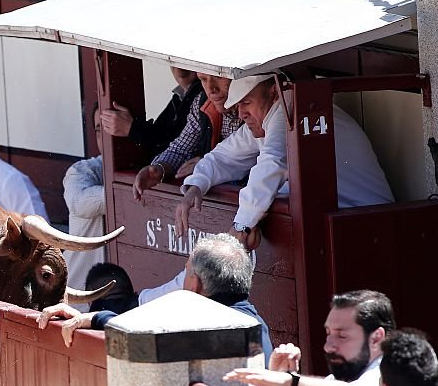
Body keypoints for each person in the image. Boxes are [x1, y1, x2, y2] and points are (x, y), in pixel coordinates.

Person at [176, 74, 394, 249]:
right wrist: (196, 185)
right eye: (238, 106)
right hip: (353, 226)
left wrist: (242, 226)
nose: (241, 114)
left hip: (372, 227)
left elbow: (273, 164)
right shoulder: (268, 118)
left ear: (273, 92)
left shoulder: (287, 110)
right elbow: (223, 156)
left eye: (247, 102)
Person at [38, 233, 272, 358]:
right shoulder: (254, 322)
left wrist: (96, 318)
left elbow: (149, 340)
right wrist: (90, 317)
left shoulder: (215, 328)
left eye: (187, 272)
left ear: (194, 283)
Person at [225, 290, 395, 386]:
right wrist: (282, 378)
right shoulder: (339, 379)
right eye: (329, 334)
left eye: (342, 336)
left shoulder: (390, 375)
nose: (328, 347)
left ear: (376, 339)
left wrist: (291, 381)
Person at [132, 73, 242, 201]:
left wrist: (205, 166)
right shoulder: (202, 102)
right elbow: (181, 149)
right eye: (203, 79)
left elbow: (257, 162)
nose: (211, 88)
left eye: (218, 76)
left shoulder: (255, 105)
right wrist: (159, 168)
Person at [101, 66, 202, 159]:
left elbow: (179, 145)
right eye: (174, 61)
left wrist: (132, 128)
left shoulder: (203, 95)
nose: (179, 71)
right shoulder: (178, 98)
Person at [63, 105, 106, 294]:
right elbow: (80, 202)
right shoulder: (82, 170)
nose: (104, 135)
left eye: (111, 126)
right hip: (77, 295)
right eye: (99, 129)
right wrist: (134, 191)